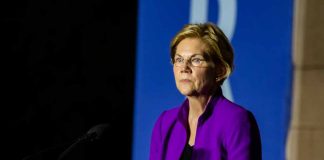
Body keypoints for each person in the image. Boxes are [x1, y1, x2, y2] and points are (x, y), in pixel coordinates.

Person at [149, 22, 262, 160]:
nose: (184, 68)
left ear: (220, 70)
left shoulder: (236, 120)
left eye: (196, 60)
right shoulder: (165, 122)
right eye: (179, 59)